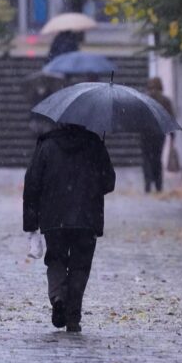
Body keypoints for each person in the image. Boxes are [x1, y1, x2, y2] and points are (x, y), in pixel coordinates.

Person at [23, 123, 115, 333]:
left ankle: (58, 297)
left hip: (54, 218)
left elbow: (32, 184)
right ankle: (73, 317)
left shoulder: (46, 146)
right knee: (80, 266)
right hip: (87, 217)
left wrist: (31, 224)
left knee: (55, 259)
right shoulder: (94, 145)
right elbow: (108, 182)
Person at [141, 77, 175, 193]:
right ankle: (158, 184)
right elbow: (170, 118)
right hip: (159, 134)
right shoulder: (165, 101)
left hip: (145, 133)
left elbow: (137, 117)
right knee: (157, 158)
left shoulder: (144, 99)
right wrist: (172, 135)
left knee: (146, 158)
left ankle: (147, 182)